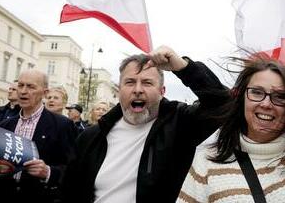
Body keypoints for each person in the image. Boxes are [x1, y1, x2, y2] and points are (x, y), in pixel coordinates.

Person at [62, 45, 230, 203]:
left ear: (162, 91)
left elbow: (223, 103)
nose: (137, 89)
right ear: (119, 90)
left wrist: (184, 67)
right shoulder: (91, 137)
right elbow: (69, 192)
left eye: (147, 83)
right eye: (130, 82)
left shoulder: (180, 124)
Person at [177, 57, 285, 203]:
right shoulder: (205, 162)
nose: (266, 104)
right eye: (256, 92)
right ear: (242, 98)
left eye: (280, 96)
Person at [0, 69, 77, 203]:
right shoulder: (5, 125)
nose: (23, 91)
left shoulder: (62, 125)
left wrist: (48, 172)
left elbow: (74, 169)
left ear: (45, 93)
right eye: (21, 85)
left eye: (30, 86)